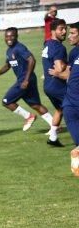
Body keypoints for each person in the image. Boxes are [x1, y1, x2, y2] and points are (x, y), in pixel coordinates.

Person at [0, 27, 54, 132]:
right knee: (35, 105)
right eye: (7, 36)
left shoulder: (19, 48)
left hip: (25, 80)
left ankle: (28, 116)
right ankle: (55, 126)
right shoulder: (9, 51)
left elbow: (32, 60)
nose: (9, 38)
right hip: (27, 80)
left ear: (16, 36)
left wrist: (26, 79)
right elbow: (7, 66)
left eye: (12, 36)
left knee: (6, 101)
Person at [48, 21, 79, 175]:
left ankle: (76, 162)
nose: (69, 36)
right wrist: (60, 73)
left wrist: (58, 73)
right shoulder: (73, 53)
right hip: (71, 104)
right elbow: (71, 75)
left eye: (73, 33)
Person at [42, 19, 68, 147]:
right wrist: (68, 67)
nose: (64, 32)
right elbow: (58, 68)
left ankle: (53, 138)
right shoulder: (59, 47)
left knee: (60, 109)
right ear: (53, 31)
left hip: (47, 85)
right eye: (61, 29)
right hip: (57, 85)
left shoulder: (47, 43)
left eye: (65, 29)